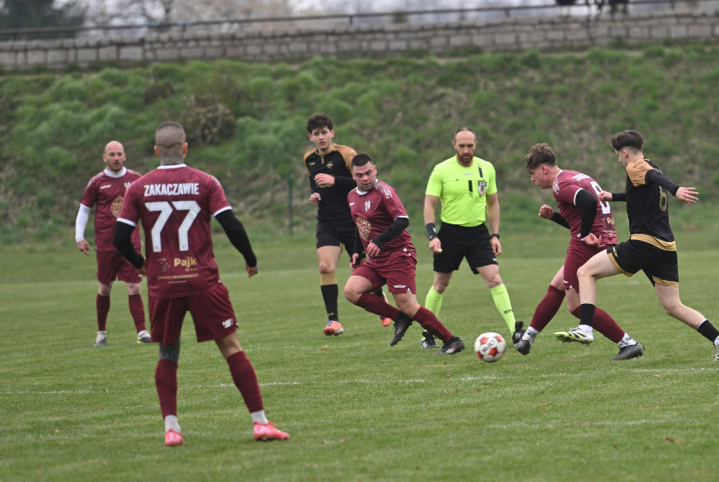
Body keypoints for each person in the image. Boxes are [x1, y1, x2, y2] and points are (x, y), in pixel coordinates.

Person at [114, 121, 289, 446]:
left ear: (156, 151)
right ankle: (260, 423)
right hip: (202, 280)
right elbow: (232, 226)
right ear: (184, 147)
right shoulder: (204, 182)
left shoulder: (138, 187)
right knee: (231, 347)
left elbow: (120, 238)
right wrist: (250, 259)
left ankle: (172, 429)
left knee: (167, 353)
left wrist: (144, 265)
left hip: (163, 282)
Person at [554, 130, 719, 361]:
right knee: (672, 306)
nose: (619, 160)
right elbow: (643, 190)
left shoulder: (636, 167)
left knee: (585, 271)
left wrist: (676, 189)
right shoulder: (652, 165)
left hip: (643, 244)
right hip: (666, 247)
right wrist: (615, 196)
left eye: (618, 155)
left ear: (625, 152)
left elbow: (655, 178)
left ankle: (585, 328)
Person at [517, 143, 644, 361]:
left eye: (532, 173)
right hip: (601, 237)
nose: (532, 179)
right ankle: (527, 339)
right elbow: (581, 217)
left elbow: (588, 202)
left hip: (587, 243)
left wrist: (584, 234)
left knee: (575, 305)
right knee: (557, 285)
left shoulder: (560, 185)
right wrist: (555, 217)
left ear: (543, 169)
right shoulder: (574, 176)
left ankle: (627, 343)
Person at [342, 154, 465, 355]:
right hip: (377, 259)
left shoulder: (385, 192)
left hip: (399, 254)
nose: (365, 178)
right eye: (359, 175)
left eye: (368, 173)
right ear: (353, 176)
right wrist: (356, 251)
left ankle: (451, 340)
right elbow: (360, 224)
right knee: (351, 291)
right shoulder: (351, 196)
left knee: (408, 305)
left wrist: (380, 240)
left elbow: (402, 219)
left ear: (375, 169)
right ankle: (399, 318)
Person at [422, 127, 522, 349]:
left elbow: (493, 202)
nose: (466, 150)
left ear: (476, 144)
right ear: (454, 145)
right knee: (440, 284)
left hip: (478, 233)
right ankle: (428, 333)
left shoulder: (486, 168)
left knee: (494, 278)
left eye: (470, 145)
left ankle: (515, 330)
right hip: (449, 234)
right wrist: (432, 235)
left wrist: (495, 235)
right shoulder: (441, 170)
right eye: (462, 146)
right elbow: (429, 204)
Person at [304, 113, 391, 336]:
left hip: (353, 221)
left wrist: (335, 180)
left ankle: (382, 304)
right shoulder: (309, 159)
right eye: (316, 134)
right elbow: (314, 184)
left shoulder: (346, 153)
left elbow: (361, 181)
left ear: (332, 133)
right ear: (310, 137)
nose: (321, 137)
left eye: (324, 132)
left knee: (365, 266)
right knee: (325, 267)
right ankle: (334, 321)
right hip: (327, 221)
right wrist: (315, 195)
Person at [75, 140, 152, 346]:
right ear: (105, 158)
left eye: (119, 154)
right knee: (104, 289)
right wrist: (79, 237)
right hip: (106, 244)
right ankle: (101, 333)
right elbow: (85, 208)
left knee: (134, 287)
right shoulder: (97, 182)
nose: (116, 158)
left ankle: (142, 332)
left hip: (131, 243)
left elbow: (146, 208)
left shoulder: (136, 179)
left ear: (125, 156)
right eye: (112, 155)